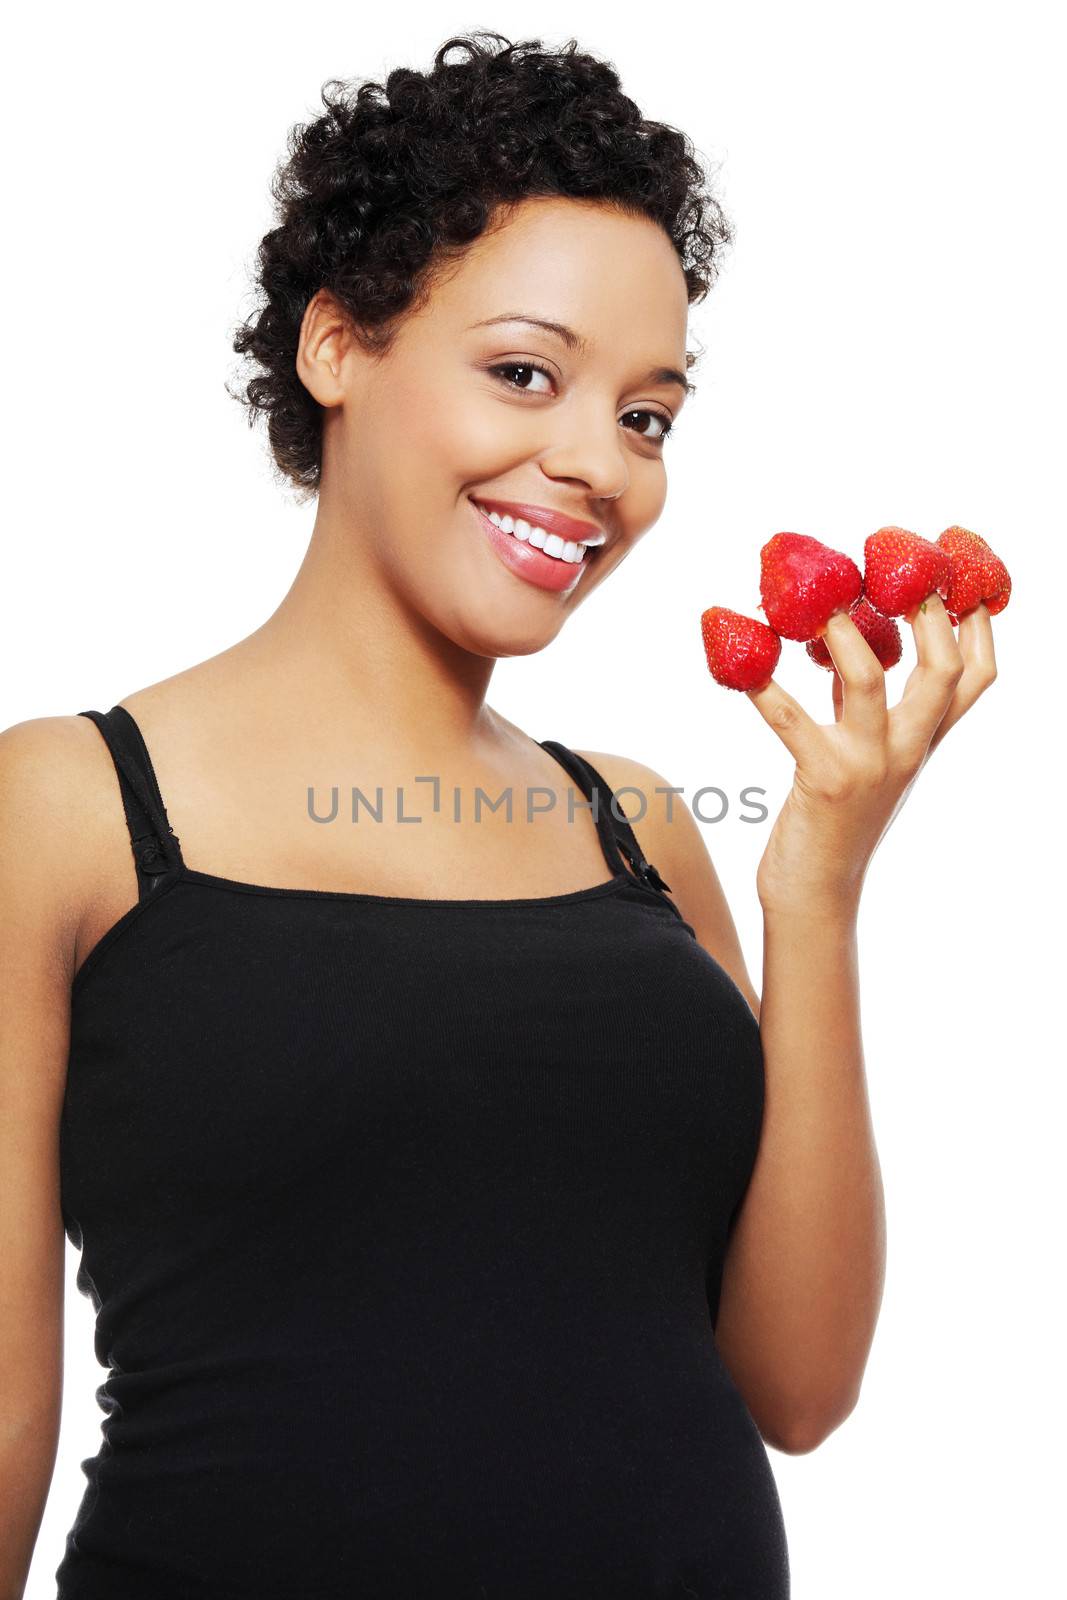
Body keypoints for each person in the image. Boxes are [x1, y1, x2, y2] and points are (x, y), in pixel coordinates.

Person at [0, 30, 998, 1600]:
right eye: (525, 373)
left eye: (649, 414)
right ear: (339, 344)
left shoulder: (640, 828)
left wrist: (817, 883)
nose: (596, 467)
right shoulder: (67, 806)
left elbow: (798, 1391)